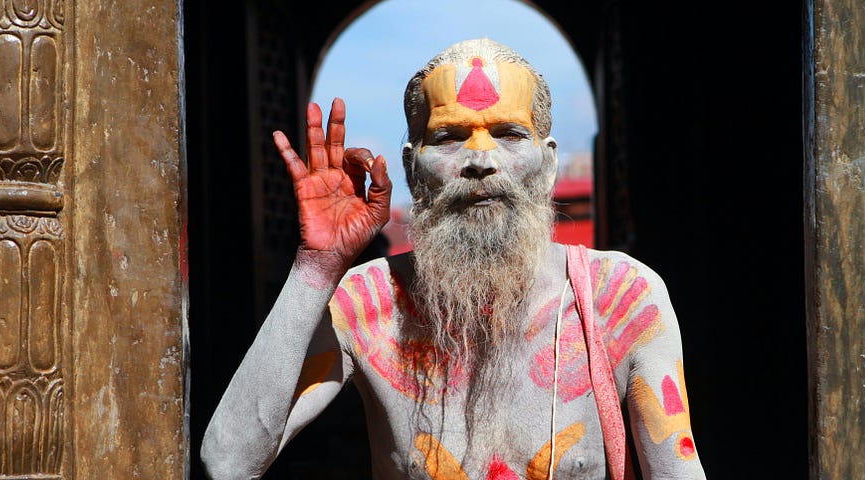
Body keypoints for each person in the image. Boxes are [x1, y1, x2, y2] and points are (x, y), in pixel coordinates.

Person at [201, 38, 705, 480]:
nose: (480, 160)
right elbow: (228, 463)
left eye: (509, 134)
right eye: (448, 137)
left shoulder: (620, 298)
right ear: (411, 169)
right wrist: (316, 267)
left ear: (548, 164)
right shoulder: (371, 303)